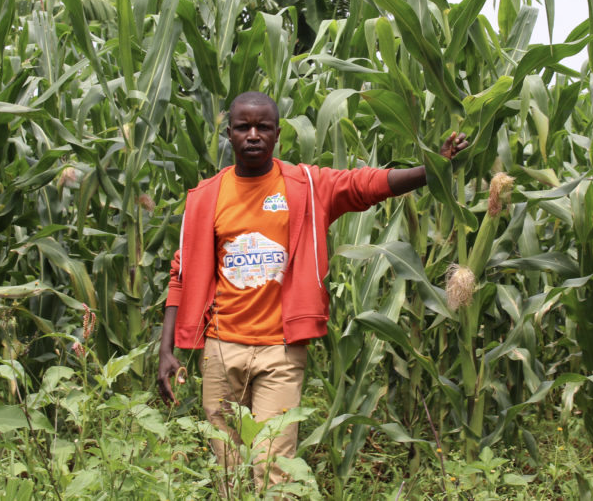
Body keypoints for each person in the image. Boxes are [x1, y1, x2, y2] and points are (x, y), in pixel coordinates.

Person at [156, 90, 467, 490]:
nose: (253, 135)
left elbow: (365, 185)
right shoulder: (205, 198)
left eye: (263, 127)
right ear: (229, 134)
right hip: (220, 349)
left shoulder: (304, 185)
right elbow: (180, 275)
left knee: (274, 469)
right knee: (229, 474)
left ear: (277, 133)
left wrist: (432, 168)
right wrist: (167, 349)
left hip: (281, 352)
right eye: (243, 127)